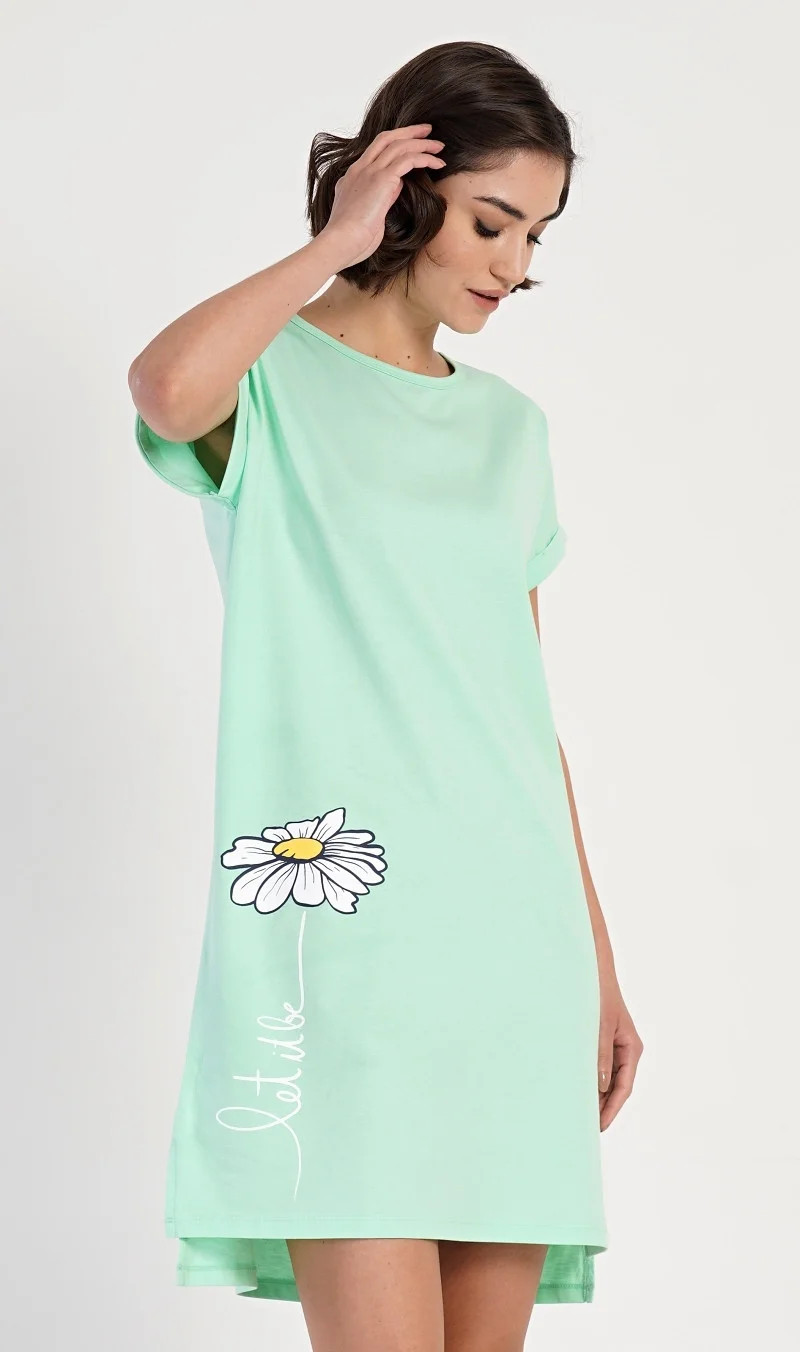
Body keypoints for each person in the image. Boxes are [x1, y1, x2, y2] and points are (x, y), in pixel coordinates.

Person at [128, 38, 643, 1352]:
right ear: (406, 191)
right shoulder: (270, 382)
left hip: (511, 947)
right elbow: (165, 391)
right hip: (342, 944)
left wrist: (596, 963)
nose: (514, 265)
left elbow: (518, 706)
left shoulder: (511, 432)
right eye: (490, 220)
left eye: (536, 235)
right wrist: (332, 244)